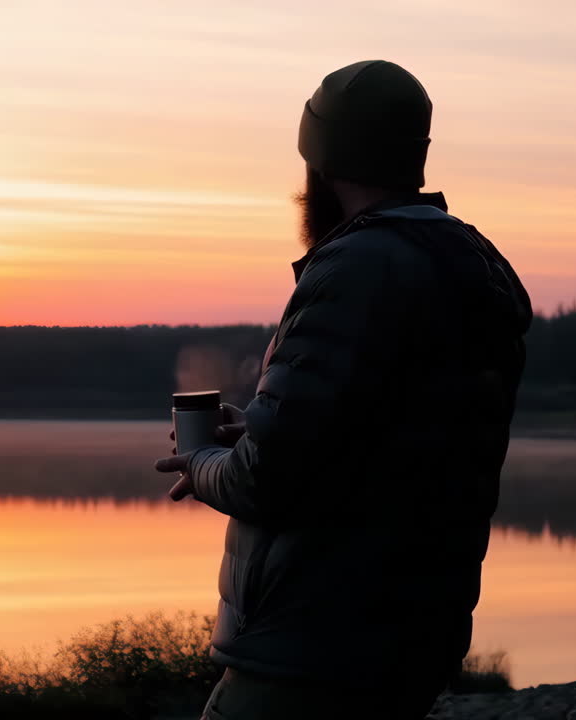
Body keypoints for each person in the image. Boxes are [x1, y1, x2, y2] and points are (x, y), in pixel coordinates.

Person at [155, 59, 532, 720]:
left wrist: (205, 463)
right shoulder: (472, 264)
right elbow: (394, 437)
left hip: (309, 649)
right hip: (412, 643)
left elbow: (264, 481)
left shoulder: (354, 268)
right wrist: (265, 427)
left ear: (322, 165)